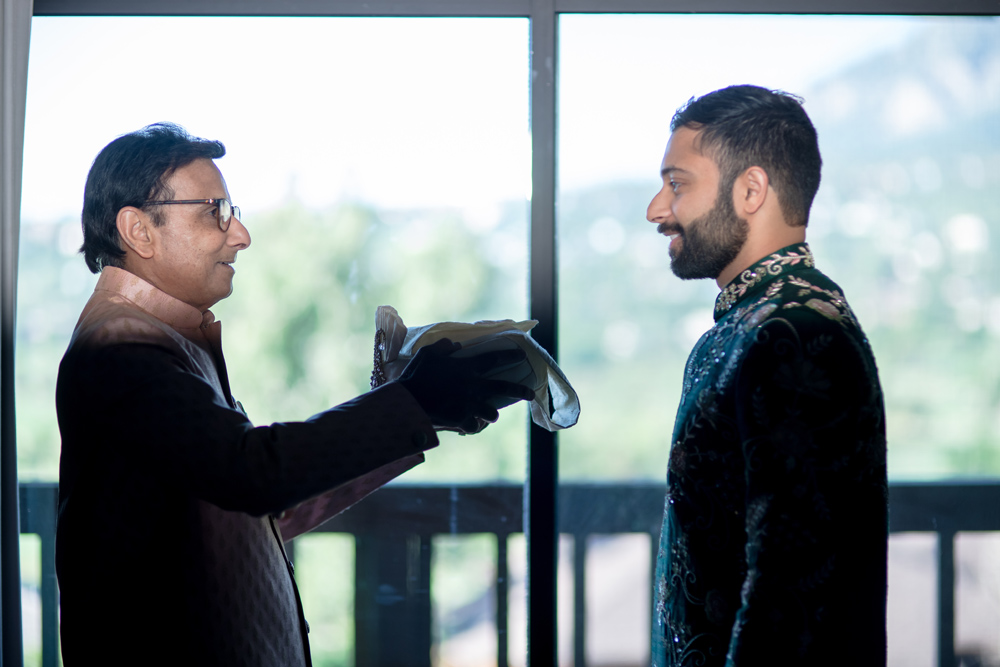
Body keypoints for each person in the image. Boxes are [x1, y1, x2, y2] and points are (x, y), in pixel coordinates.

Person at [55, 123, 533, 666]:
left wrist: (416, 409)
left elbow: (247, 509)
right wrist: (414, 403)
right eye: (215, 210)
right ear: (139, 231)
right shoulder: (121, 348)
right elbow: (250, 474)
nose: (240, 234)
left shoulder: (159, 339)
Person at [646, 85, 887, 666]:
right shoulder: (746, 328)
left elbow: (793, 596)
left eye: (677, 184)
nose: (657, 209)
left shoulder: (796, 333)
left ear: (750, 190)